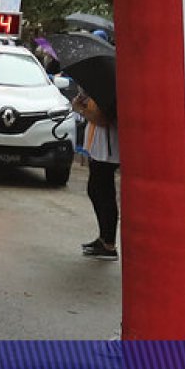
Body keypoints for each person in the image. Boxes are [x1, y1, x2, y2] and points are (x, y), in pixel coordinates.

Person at [72, 79, 120, 260]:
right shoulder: (100, 89)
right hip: (98, 147)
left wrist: (81, 109)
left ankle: (109, 243)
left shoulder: (108, 90)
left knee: (103, 192)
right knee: (96, 189)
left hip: (107, 149)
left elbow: (101, 118)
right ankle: (104, 238)